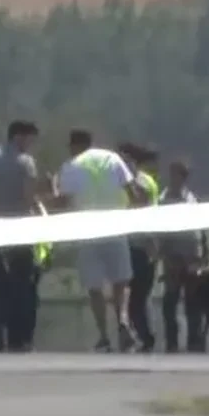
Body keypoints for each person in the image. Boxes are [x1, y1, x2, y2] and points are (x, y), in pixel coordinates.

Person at [51, 129, 146, 353]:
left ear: (75, 145)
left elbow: (62, 203)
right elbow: (132, 193)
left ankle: (103, 335)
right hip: (115, 226)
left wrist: (53, 188)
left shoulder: (71, 166)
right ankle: (122, 319)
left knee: (95, 287)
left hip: (87, 230)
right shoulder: (112, 158)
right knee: (121, 281)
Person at [0, 120, 41, 353]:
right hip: (19, 228)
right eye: (29, 139)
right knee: (22, 285)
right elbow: (29, 196)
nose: (30, 145)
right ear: (19, 137)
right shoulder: (25, 162)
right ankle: (20, 338)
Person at [157, 158, 209, 353]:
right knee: (170, 299)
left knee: (193, 300)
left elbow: (200, 227)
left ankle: (195, 340)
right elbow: (161, 230)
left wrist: (204, 248)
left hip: (192, 254)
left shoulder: (191, 199)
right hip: (173, 254)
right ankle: (172, 341)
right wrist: (164, 254)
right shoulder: (164, 200)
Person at [119, 143, 161, 352]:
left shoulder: (138, 183)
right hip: (138, 243)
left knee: (136, 296)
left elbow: (142, 207)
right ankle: (144, 336)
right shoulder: (147, 181)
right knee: (138, 296)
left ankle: (146, 337)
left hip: (140, 245)